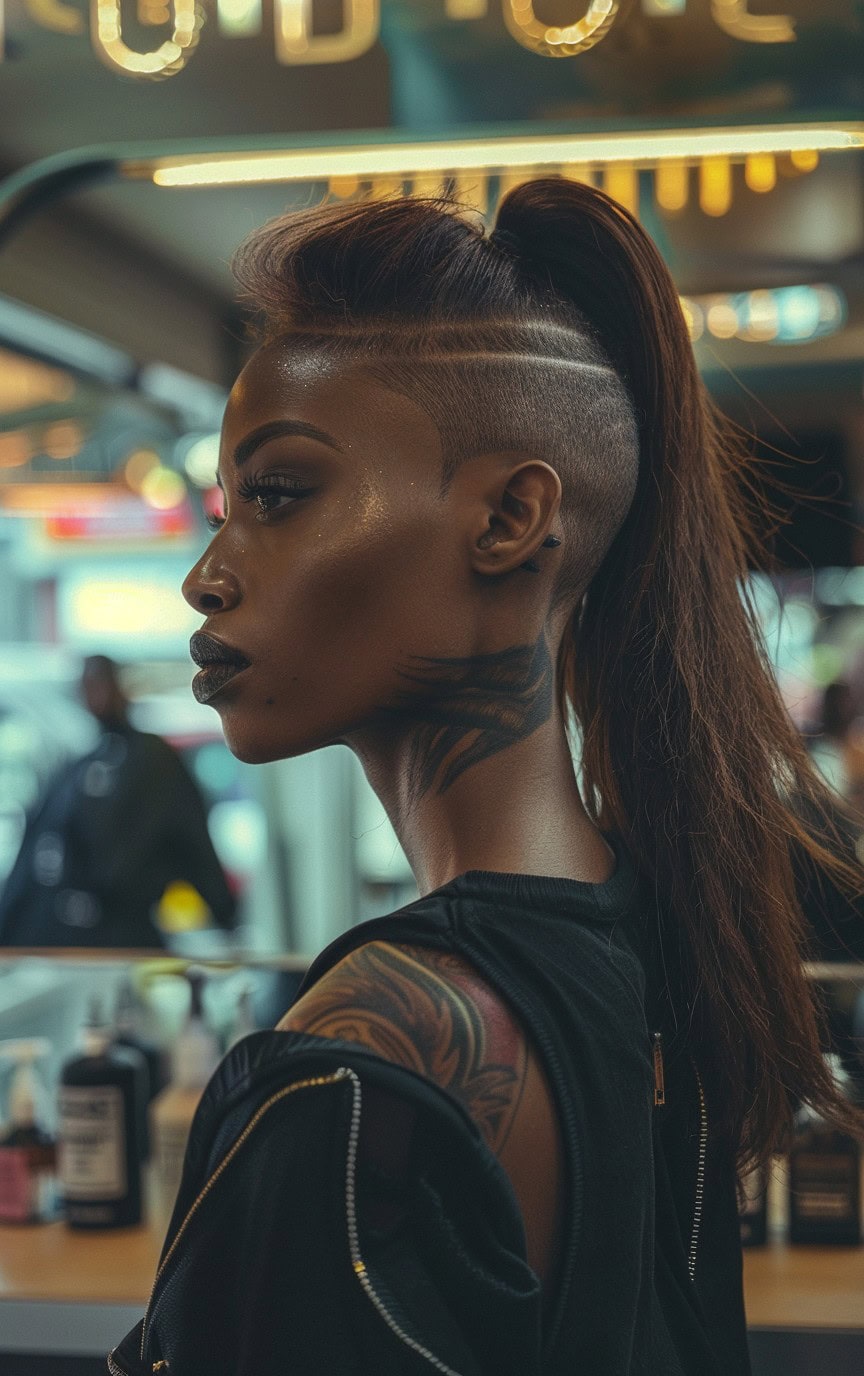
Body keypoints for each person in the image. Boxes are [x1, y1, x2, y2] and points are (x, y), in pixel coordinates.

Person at [111, 181, 864, 1376]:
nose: (209, 574)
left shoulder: (354, 1076)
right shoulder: (668, 925)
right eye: (226, 509)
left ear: (512, 518)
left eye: (279, 494)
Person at [0, 655, 237, 948]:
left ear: (120, 686)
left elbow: (193, 838)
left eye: (100, 682)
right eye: (86, 686)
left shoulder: (150, 759)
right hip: (55, 939)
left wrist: (225, 915)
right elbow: (33, 853)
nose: (93, 694)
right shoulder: (79, 766)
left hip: (117, 936)